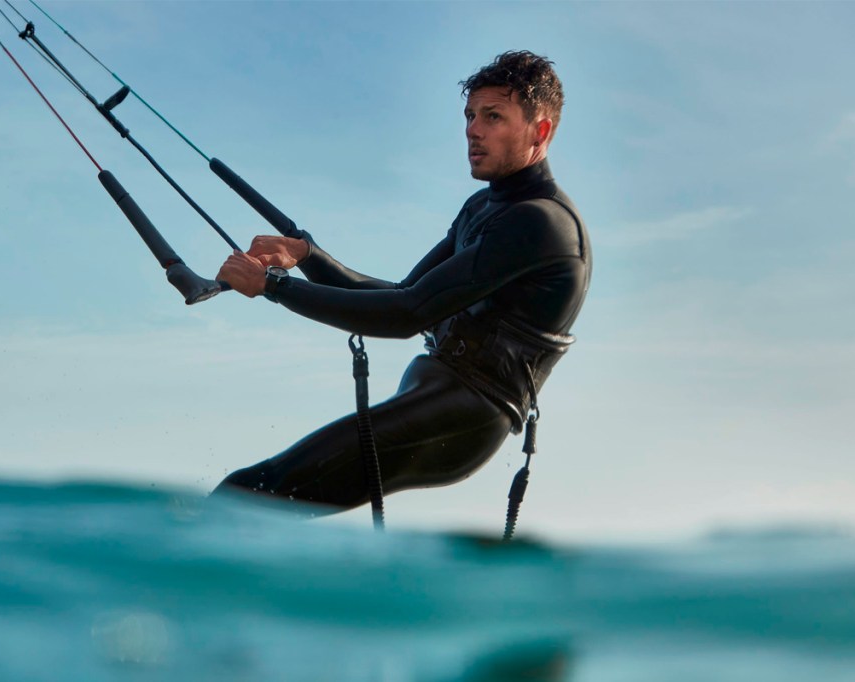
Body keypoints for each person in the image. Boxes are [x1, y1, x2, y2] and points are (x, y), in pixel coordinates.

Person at [215, 50, 591, 513]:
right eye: (470, 115)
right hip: (436, 393)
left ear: (541, 131)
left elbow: (407, 315)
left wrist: (274, 287)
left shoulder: (541, 224)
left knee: (251, 493)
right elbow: (404, 292)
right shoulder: (482, 208)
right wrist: (306, 254)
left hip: (467, 414)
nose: (473, 130)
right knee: (262, 497)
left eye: (494, 117)